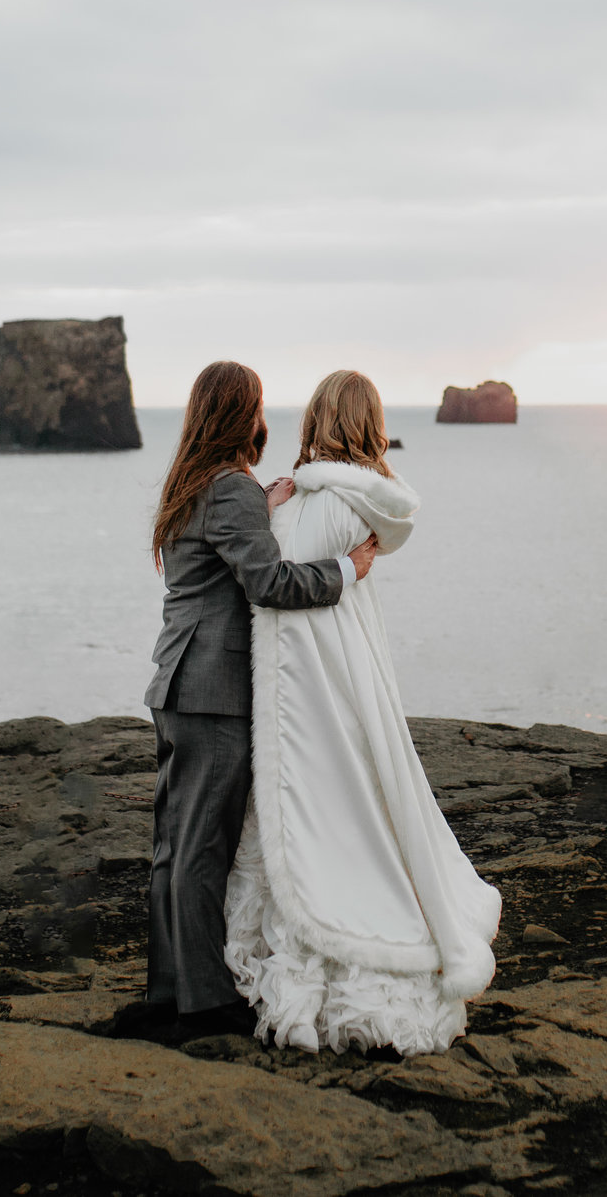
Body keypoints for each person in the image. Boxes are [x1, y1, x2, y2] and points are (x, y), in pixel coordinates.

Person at [225, 369, 501, 1054]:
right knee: (364, 811)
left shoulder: (313, 502)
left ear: (318, 418)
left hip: (306, 696)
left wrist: (264, 511)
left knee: (315, 819)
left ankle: (333, 949)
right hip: (350, 684)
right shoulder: (363, 503)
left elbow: (271, 580)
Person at [116, 361, 377, 1046]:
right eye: (259, 405)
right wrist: (348, 568)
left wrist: (260, 508)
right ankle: (203, 1004)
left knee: (174, 848)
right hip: (214, 693)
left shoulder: (192, 485)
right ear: (244, 414)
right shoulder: (229, 488)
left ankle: (169, 992)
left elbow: (219, 563)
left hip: (176, 684)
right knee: (204, 847)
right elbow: (269, 582)